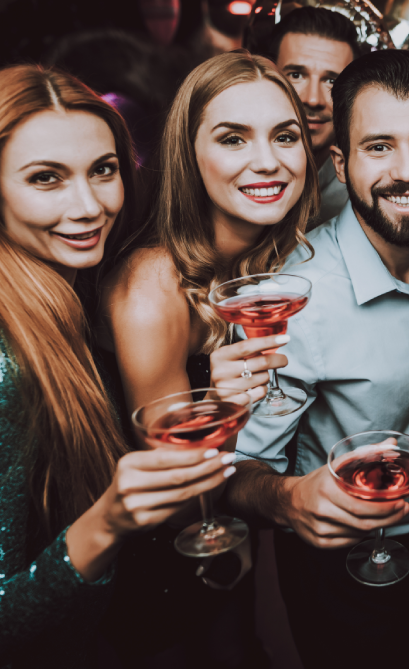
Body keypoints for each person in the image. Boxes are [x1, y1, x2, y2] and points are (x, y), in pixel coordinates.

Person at [223, 49, 409, 668]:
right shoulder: (295, 304)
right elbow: (237, 473)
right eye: (378, 148)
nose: (407, 172)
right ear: (340, 164)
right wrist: (288, 499)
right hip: (345, 571)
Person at [0, 65, 237, 669]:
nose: (88, 207)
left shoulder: (71, 294)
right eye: (46, 179)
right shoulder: (7, 361)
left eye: (102, 171)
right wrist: (107, 521)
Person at [98, 50, 319, 666]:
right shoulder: (152, 286)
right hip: (160, 584)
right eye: (233, 138)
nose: (268, 161)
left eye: (285, 136)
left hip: (236, 562)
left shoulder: (266, 267)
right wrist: (222, 405)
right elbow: (172, 493)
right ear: (188, 157)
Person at [268, 6, 359, 225]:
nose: (313, 99)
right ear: (268, 77)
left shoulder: (361, 197)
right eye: (296, 75)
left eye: (332, 80)